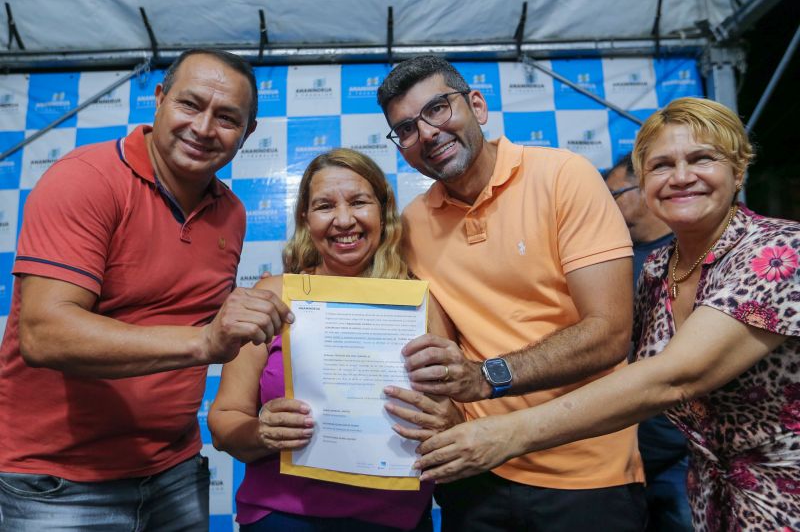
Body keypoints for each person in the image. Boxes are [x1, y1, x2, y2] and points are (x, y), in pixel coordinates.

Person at [414, 97, 800, 531]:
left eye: (701, 159)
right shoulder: (658, 268)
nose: (681, 177)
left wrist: (504, 432)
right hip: (712, 499)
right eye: (659, 166)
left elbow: (673, 377)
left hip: (784, 498)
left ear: (738, 168)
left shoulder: (779, 252)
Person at [0, 49, 293, 531]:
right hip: (62, 480)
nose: (202, 128)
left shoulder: (232, 214)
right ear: (158, 100)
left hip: (174, 470)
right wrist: (205, 341)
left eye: (226, 118)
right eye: (190, 105)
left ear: (249, 132)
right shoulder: (86, 179)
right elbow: (42, 333)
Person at [376, 55, 646, 531]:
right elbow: (437, 351)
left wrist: (487, 377)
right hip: (474, 470)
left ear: (476, 105)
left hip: (586, 473)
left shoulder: (564, 176)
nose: (428, 133)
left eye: (438, 109)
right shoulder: (413, 224)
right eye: (407, 129)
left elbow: (609, 334)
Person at [208, 148, 460, 531]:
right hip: (282, 515)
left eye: (359, 202)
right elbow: (224, 421)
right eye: (325, 206)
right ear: (306, 220)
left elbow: (456, 419)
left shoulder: (420, 303)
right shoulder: (271, 296)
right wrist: (263, 431)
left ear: (383, 211)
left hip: (396, 519)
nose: (344, 220)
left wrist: (445, 422)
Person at [606, 155, 692, 531]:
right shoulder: (617, 259)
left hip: (684, 452)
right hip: (630, 453)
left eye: (616, 195)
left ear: (645, 191)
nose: (608, 207)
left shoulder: (692, 254)